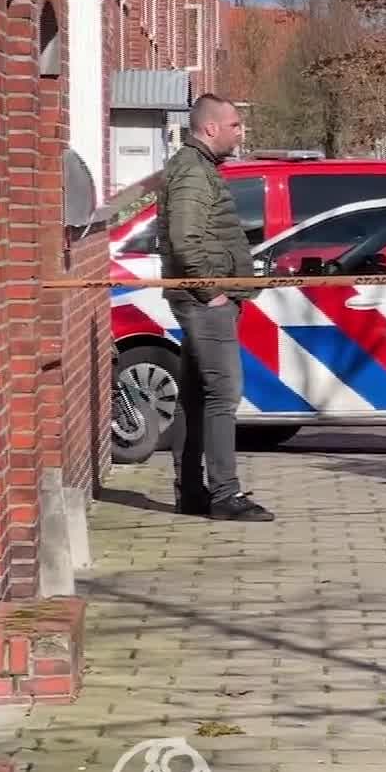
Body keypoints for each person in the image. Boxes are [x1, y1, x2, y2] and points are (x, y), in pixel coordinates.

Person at [158, 94, 273, 522]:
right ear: (210, 129)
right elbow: (185, 240)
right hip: (203, 302)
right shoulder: (192, 172)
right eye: (235, 125)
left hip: (200, 298)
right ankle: (225, 495)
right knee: (223, 395)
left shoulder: (198, 168)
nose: (240, 132)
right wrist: (212, 293)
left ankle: (191, 491)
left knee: (194, 395)